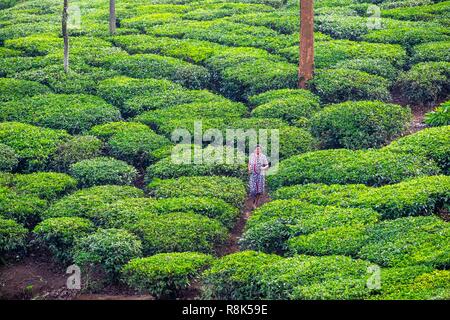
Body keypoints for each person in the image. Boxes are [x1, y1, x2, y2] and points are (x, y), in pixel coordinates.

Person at [248, 145, 269, 209]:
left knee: (259, 190)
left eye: (259, 149)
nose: (258, 150)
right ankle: (252, 201)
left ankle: (255, 203)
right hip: (253, 174)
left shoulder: (263, 156)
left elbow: (267, 165)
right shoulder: (251, 155)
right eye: (256, 149)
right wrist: (249, 169)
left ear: (261, 150)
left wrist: (263, 168)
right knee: (252, 190)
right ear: (254, 150)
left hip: (260, 175)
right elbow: (249, 163)